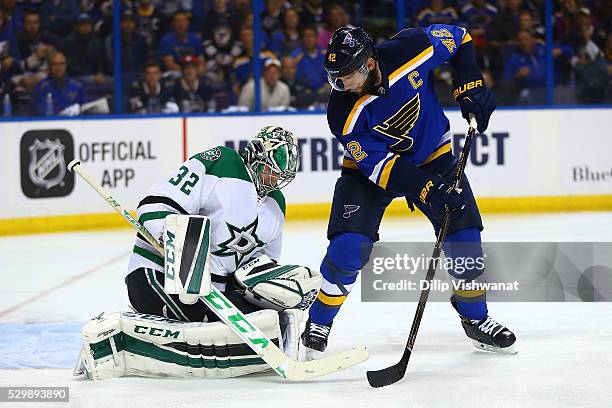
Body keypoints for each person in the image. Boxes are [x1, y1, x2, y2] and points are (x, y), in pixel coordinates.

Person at [301, 26, 516, 356]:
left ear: (369, 63)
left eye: (347, 76)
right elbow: (384, 169)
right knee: (349, 248)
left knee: (465, 239)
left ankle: (476, 318)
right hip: (368, 175)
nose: (341, 85)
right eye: (335, 77)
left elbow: (460, 37)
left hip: (432, 156)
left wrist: (469, 78)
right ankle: (319, 319)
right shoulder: (341, 111)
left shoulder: (412, 48)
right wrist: (427, 189)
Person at [73, 126, 318, 379]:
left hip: (215, 294)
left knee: (267, 318)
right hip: (158, 275)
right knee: (207, 319)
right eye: (270, 171)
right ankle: (114, 335)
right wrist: (168, 238)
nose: (274, 181)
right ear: (255, 156)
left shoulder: (276, 204)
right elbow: (156, 203)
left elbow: (262, 263)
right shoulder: (222, 163)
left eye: (280, 177)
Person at [32, 50, 84, 115]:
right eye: (55, 64)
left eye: (61, 64)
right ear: (49, 66)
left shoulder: (77, 87)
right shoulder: (41, 87)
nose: (58, 67)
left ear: (66, 66)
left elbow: (83, 110)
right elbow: (39, 112)